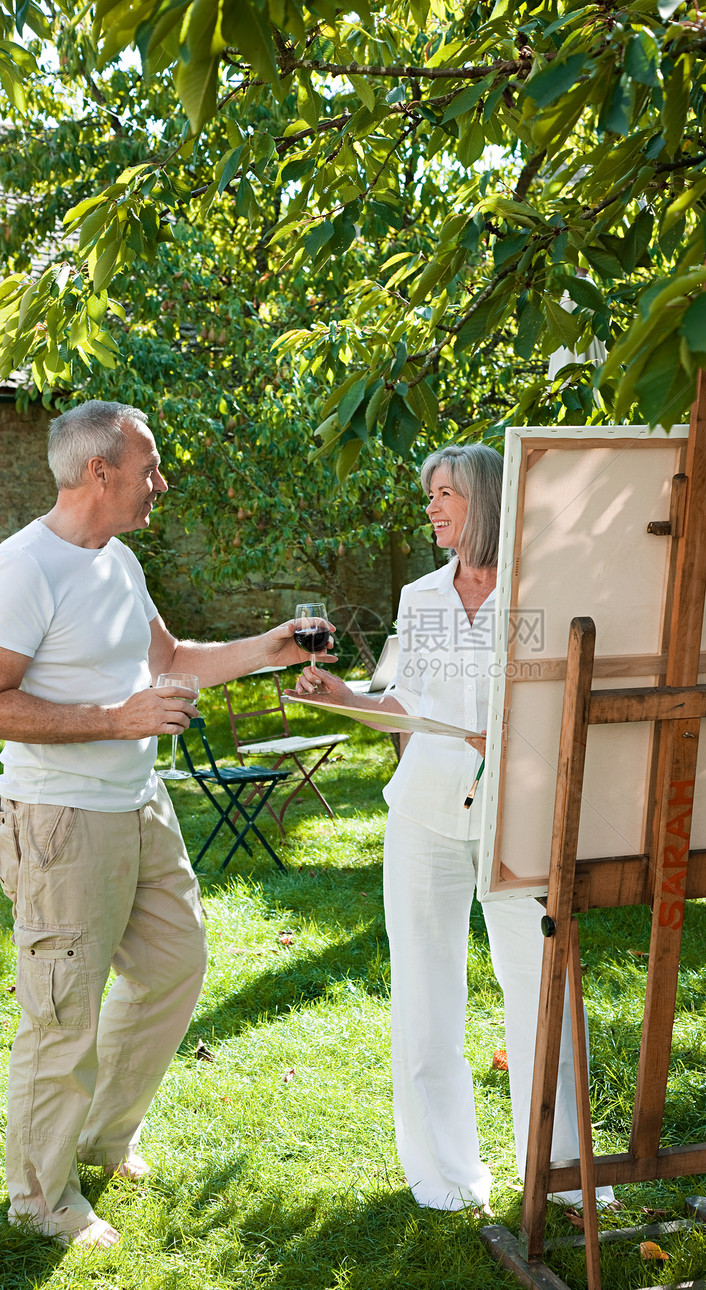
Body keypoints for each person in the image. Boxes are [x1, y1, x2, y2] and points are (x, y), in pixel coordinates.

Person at [0, 400, 334, 1248]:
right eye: (149, 467)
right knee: (61, 1010)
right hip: (63, 818)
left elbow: (172, 660)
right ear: (99, 471)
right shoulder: (24, 568)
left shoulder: (118, 562)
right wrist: (119, 720)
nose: (162, 482)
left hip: (141, 807)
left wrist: (270, 646)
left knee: (175, 964)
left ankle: (102, 1138)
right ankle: (38, 1196)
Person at [293, 443, 614, 1213]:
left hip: (522, 814)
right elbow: (409, 706)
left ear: (487, 501)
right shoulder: (422, 597)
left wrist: (507, 739)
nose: (432, 508)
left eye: (446, 494)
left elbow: (565, 703)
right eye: (428, 494)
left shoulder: (542, 589)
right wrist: (346, 697)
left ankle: (562, 1171)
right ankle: (445, 1175)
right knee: (425, 991)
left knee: (541, 990)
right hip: (425, 812)